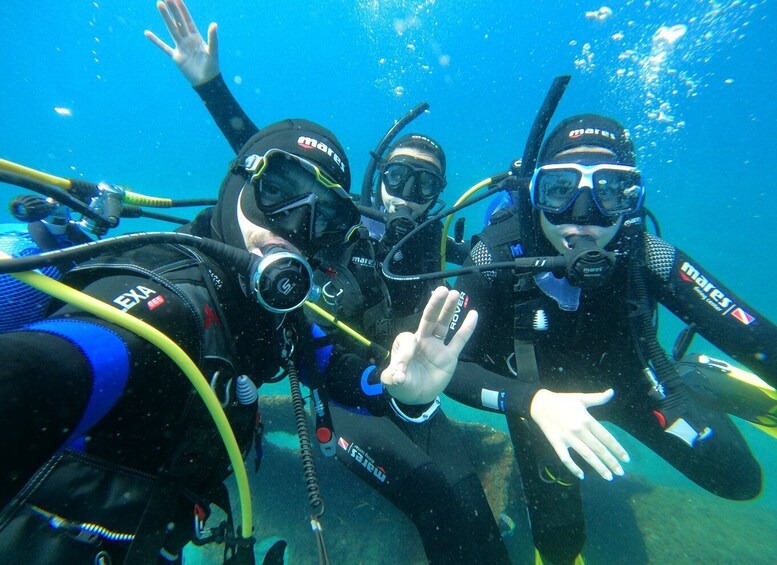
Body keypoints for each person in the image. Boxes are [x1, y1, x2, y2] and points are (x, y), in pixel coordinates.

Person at [144, 4, 632, 563]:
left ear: (440, 195)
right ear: (378, 180)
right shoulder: (333, 220)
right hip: (342, 385)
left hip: (409, 386)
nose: (405, 194)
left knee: (461, 501)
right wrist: (212, 88)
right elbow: (270, 175)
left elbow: (466, 335)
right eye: (397, 177)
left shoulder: (447, 253)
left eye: (422, 184)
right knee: (434, 494)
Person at [0, 113, 479, 563]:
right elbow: (55, 364)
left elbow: (329, 365)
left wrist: (398, 391)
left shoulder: (271, 312)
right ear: (236, 186)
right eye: (278, 191)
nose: (294, 228)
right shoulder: (171, 304)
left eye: (324, 216)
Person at [445, 113, 775, 564]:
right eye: (560, 189)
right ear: (533, 192)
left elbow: (755, 335)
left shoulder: (647, 254)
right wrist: (531, 402)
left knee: (739, 480)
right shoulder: (494, 256)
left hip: (634, 384)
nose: (583, 217)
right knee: (560, 546)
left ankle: (695, 376)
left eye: (610, 191)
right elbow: (444, 367)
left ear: (632, 199)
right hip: (542, 404)